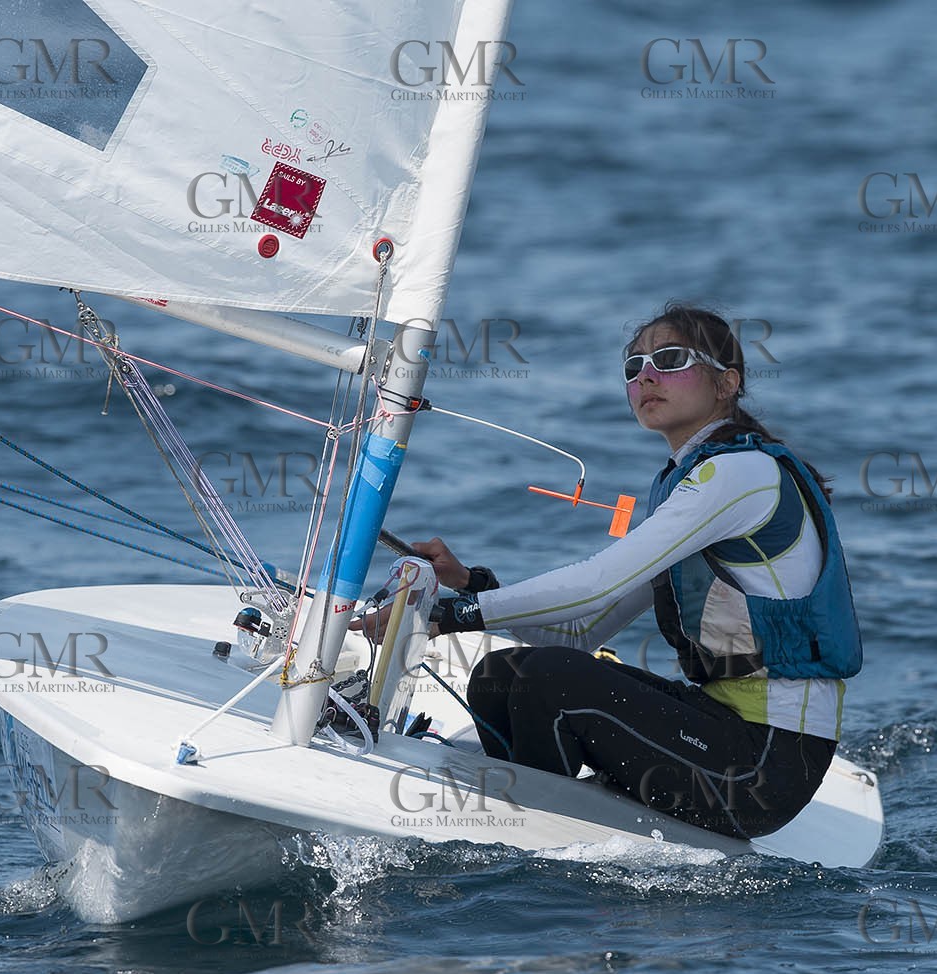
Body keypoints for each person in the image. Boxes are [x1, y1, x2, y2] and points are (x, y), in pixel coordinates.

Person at [365, 303, 861, 839]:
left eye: (670, 359)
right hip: (725, 729)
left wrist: (450, 615)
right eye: (633, 366)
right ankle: (534, 831)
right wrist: (473, 586)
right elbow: (580, 633)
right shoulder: (692, 483)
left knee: (545, 679)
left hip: (766, 766)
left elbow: (598, 582)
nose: (646, 374)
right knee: (497, 677)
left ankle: (532, 849)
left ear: (727, 383)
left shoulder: (742, 474)